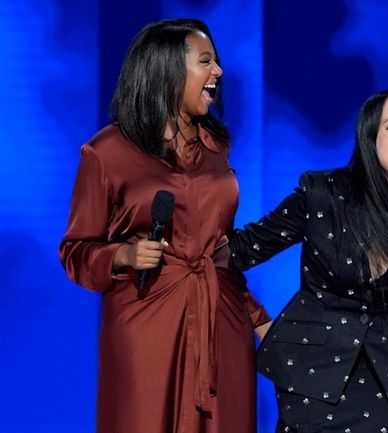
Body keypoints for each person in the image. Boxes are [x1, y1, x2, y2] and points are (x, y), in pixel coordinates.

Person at [59, 18, 270, 433]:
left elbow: (221, 251)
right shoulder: (106, 152)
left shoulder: (216, 149)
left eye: (217, 62)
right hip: (146, 325)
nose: (219, 72)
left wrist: (259, 320)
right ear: (167, 71)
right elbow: (75, 250)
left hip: (220, 326)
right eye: (206, 61)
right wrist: (123, 254)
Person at [229, 90, 388, 432]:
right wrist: (255, 316)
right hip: (312, 377)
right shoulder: (323, 193)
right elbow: (238, 252)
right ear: (369, 139)